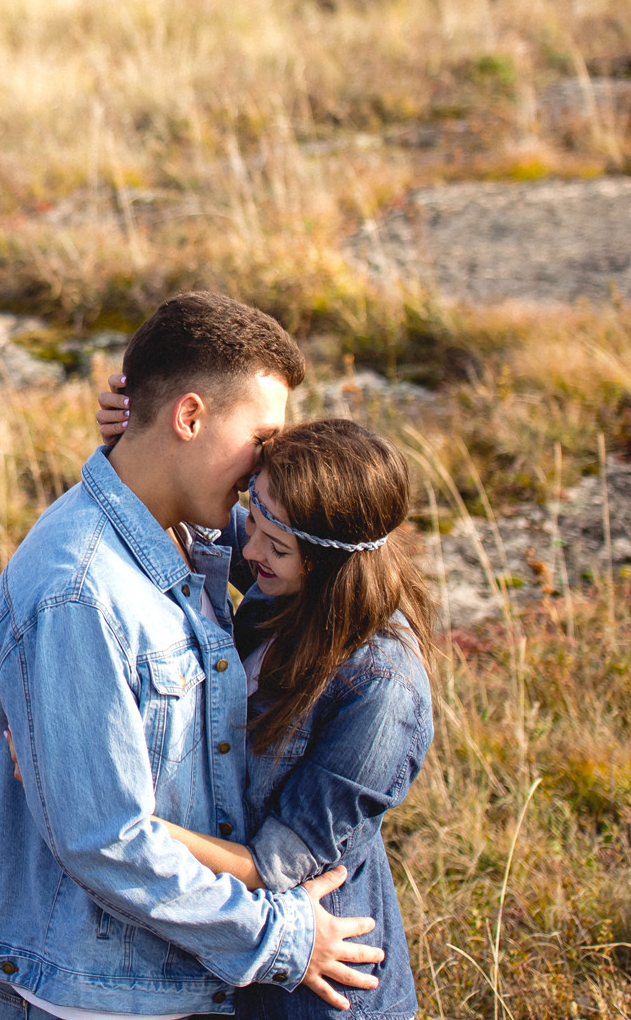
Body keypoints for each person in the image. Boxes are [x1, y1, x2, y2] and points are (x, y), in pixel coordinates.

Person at [0, 292, 387, 1020]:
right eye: (263, 439)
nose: (266, 467)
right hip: (96, 998)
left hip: (167, 977)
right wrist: (281, 938)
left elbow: (314, 549)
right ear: (190, 417)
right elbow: (105, 839)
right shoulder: (81, 594)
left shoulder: (185, 534)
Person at [95, 388, 435, 1020]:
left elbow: (270, 866)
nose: (248, 553)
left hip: (321, 989)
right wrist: (134, 435)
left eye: (275, 548)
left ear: (334, 564)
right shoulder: (292, 594)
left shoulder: (383, 690)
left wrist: (118, 818)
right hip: (243, 966)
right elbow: (194, 506)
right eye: (257, 522)